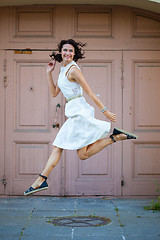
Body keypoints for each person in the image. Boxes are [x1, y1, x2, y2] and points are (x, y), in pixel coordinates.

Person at [24, 39, 137, 196]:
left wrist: (105, 111)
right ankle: (116, 137)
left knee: (58, 146)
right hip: (74, 111)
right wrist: (48, 73)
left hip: (79, 112)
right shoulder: (63, 69)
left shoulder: (74, 70)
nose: (68, 53)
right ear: (60, 52)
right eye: (65, 50)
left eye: (71, 51)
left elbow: (89, 92)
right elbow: (54, 93)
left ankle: (41, 180)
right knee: (82, 154)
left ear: (74, 53)